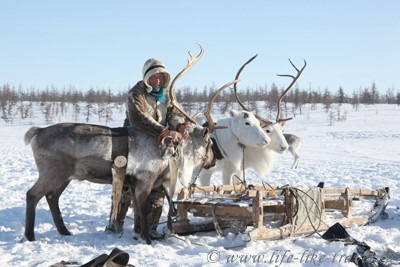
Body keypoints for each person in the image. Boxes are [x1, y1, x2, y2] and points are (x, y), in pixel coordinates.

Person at [106, 58, 192, 240]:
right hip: (132, 144)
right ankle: (115, 222)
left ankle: (151, 226)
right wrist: (165, 131)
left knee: (158, 186)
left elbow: (174, 114)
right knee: (126, 185)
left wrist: (180, 127)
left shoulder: (167, 96)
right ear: (146, 77)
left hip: (159, 146)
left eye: (161, 77)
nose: (158, 80)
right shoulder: (136, 93)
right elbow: (138, 118)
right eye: (154, 77)